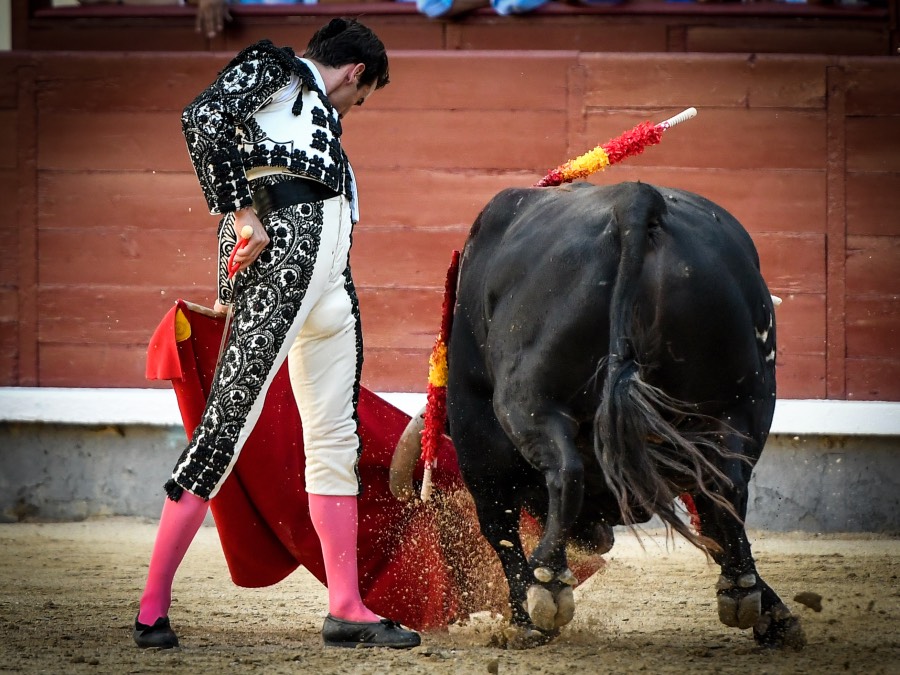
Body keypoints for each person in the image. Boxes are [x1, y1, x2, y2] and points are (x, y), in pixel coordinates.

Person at [133, 17, 421, 650]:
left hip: (332, 285)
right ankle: (152, 606)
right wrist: (242, 214)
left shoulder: (316, 120)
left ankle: (346, 606)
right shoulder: (278, 70)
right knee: (226, 425)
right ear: (356, 73)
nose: (353, 108)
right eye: (360, 97)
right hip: (281, 263)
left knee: (334, 439)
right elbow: (203, 118)